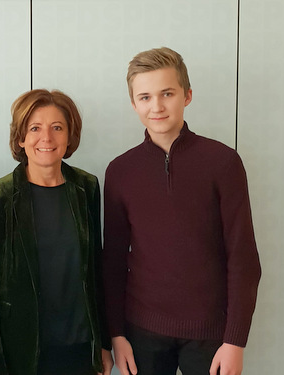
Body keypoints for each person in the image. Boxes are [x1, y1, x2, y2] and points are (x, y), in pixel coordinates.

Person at [103, 47, 261, 375]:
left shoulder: (223, 163)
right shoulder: (120, 171)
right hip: (141, 331)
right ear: (134, 104)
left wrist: (235, 342)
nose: (156, 106)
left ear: (187, 96)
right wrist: (116, 334)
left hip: (211, 335)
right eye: (145, 97)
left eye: (167, 93)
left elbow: (243, 259)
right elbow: (113, 261)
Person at [0, 89, 113, 375]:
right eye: (34, 128)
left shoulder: (87, 188)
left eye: (57, 127)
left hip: (79, 348)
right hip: (22, 353)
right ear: (21, 138)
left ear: (70, 135)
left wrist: (103, 344)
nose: (46, 138)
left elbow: (95, 272)